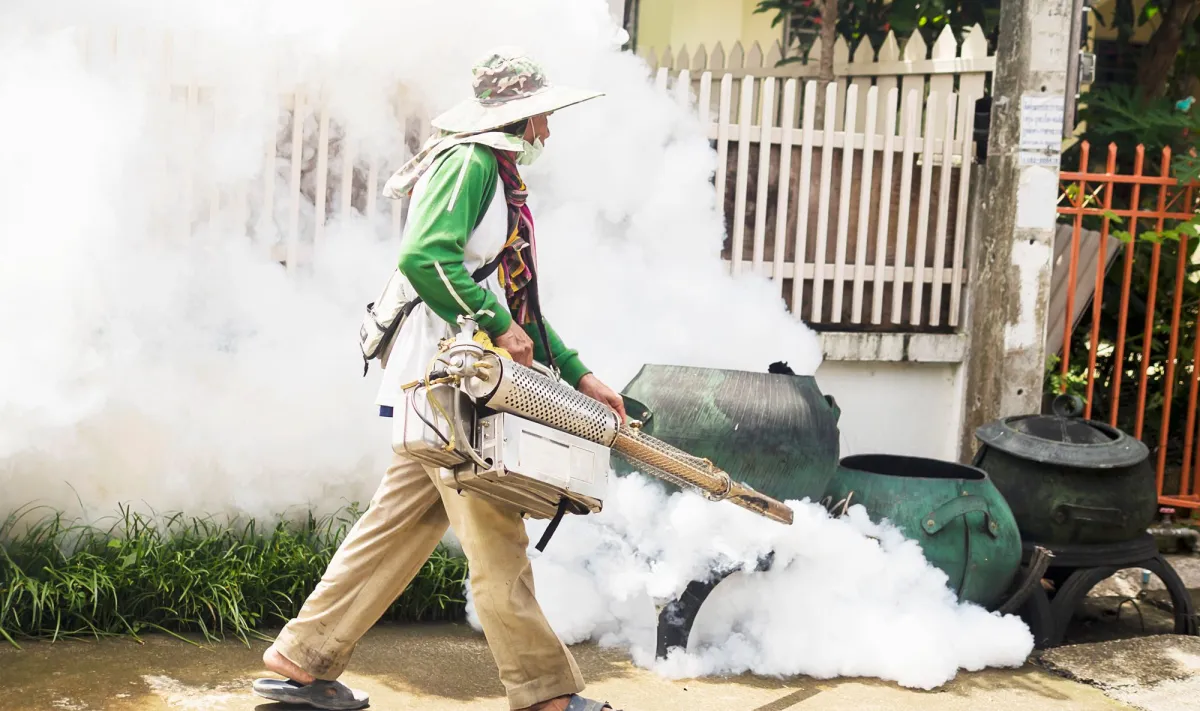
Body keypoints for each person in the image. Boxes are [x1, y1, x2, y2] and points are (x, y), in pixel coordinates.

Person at [251, 48, 626, 711]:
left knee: (397, 525)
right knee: (496, 532)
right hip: (451, 382)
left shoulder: (489, 169)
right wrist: (489, 320)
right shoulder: (472, 163)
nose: (547, 131)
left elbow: (518, 302)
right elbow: (426, 257)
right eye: (540, 116)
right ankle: (545, 695)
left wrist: (578, 372)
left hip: (447, 381)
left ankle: (301, 658)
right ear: (515, 116)